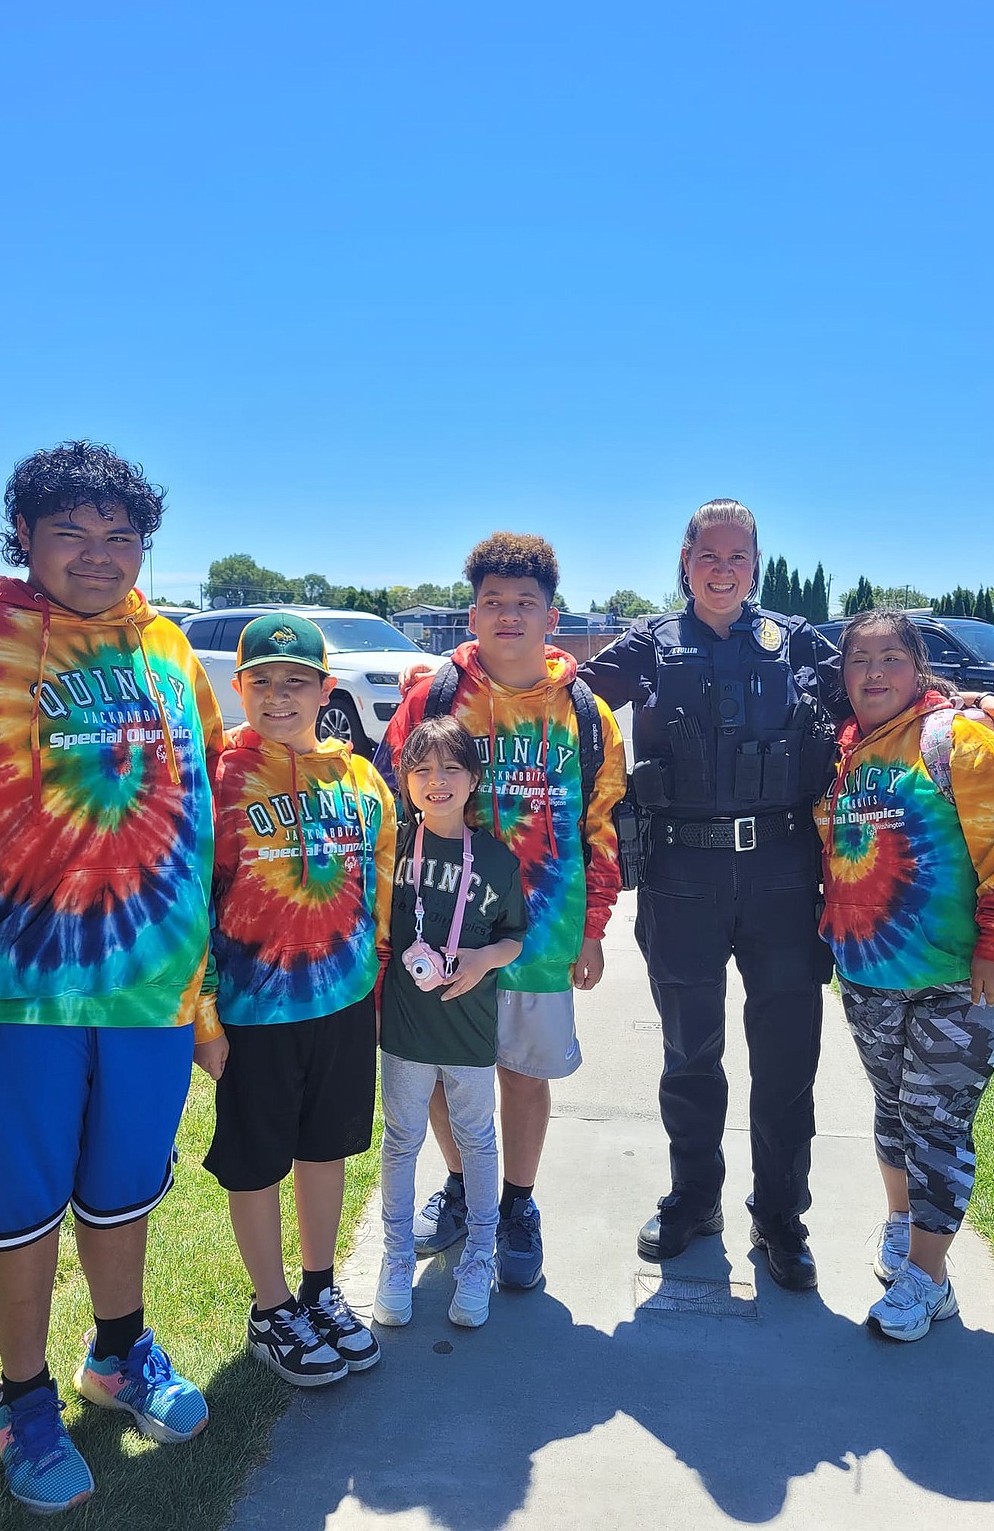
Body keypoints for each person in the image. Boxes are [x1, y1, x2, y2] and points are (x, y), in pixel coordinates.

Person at [578, 498, 994, 1291]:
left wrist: (963, 699)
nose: (723, 570)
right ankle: (694, 1200)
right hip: (682, 876)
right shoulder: (651, 644)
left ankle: (781, 1217)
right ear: (684, 562)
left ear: (756, 565)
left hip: (784, 875)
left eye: (738, 557)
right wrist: (450, 674)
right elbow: (562, 693)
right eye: (708, 556)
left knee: (786, 1059)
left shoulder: (797, 643)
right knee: (691, 1054)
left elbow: (884, 682)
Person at [0, 441, 221, 1515]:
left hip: (151, 994)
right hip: (11, 994)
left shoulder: (168, 649)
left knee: (123, 1191)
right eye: (73, 532)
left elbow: (201, 804)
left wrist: (205, 992)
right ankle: (23, 1400)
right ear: (24, 535)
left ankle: (119, 1354)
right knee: (17, 1210)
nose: (100, 555)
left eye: (121, 536)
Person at [376, 532, 627, 1291]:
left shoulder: (585, 711)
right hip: (443, 931)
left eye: (525, 603)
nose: (508, 615)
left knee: (520, 1075)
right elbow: (397, 798)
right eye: (493, 602)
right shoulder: (437, 697)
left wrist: (592, 930)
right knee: (451, 1073)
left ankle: (516, 1204)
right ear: (472, 615)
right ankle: (462, 1186)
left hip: (543, 936)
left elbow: (602, 826)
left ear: (553, 616)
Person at [814, 610, 994, 1341]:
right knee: (891, 1110)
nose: (873, 673)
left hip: (959, 979)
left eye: (890, 658)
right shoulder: (844, 751)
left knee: (935, 1122)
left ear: (918, 668)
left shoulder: (961, 741)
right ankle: (901, 1225)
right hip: (869, 971)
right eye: (859, 660)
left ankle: (930, 1279)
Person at [194, 614, 395, 1385]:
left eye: (297, 680)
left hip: (342, 1004)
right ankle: (271, 1307)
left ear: (326, 688)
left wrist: (372, 974)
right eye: (263, 681)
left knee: (327, 1149)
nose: (279, 695)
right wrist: (205, 1019)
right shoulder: (221, 779)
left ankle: (318, 1288)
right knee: (255, 1164)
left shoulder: (359, 777)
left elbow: (378, 878)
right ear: (238, 687)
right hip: (253, 1013)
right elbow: (194, 903)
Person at [374, 716, 527, 1330]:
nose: (436, 781)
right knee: (401, 1140)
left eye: (451, 770)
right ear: (405, 779)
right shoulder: (387, 848)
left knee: (477, 1140)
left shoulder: (494, 859)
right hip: (406, 1030)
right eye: (423, 769)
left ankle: (480, 1255)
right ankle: (394, 1257)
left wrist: (484, 958)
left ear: (473, 781)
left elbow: (514, 936)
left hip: (468, 1029)